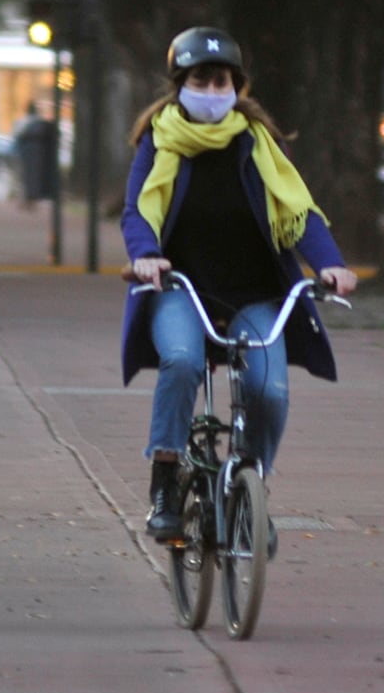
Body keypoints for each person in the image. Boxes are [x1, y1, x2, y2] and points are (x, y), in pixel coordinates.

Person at [120, 27, 357, 542]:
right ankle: (164, 477)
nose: (210, 90)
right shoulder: (159, 139)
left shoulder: (260, 145)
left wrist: (331, 265)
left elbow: (301, 215)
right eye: (200, 80)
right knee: (181, 362)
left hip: (256, 294)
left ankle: (252, 485)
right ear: (179, 85)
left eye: (219, 80)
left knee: (268, 390)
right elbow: (137, 212)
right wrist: (146, 258)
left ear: (237, 86)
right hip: (180, 288)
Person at [13, 101, 59, 209]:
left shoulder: (23, 122)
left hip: (26, 153)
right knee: (34, 175)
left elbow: (17, 136)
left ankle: (30, 198)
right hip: (38, 154)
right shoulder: (39, 123)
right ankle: (33, 197)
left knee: (26, 176)